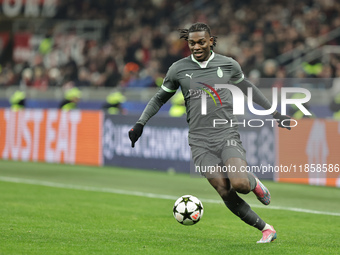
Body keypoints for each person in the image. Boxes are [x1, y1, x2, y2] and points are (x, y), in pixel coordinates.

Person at [128, 23, 291, 243]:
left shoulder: (228, 65)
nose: (196, 46)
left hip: (226, 134)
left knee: (240, 184)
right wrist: (140, 123)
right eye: (192, 42)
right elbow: (159, 98)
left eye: (201, 42)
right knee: (224, 190)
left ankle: (254, 183)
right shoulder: (178, 69)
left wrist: (276, 114)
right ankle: (266, 229)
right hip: (199, 142)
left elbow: (249, 89)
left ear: (211, 41)